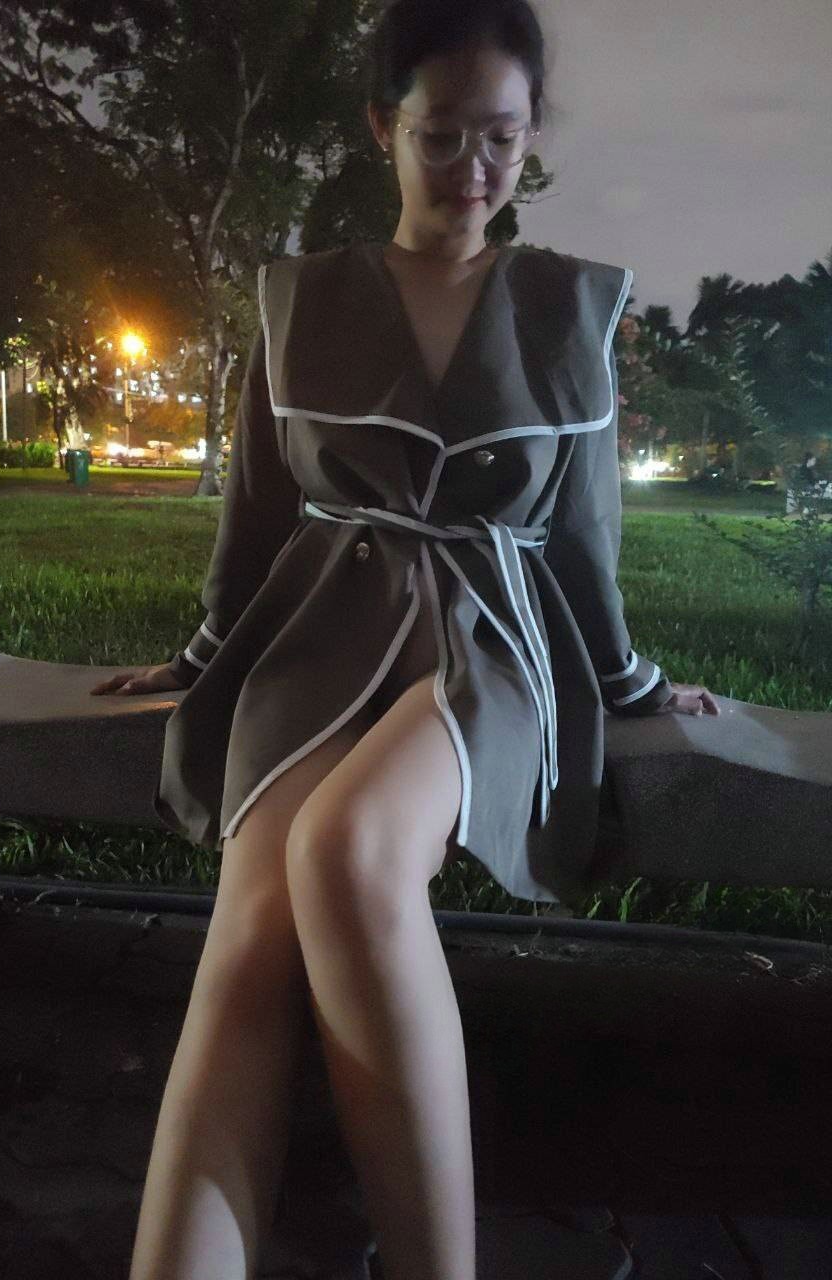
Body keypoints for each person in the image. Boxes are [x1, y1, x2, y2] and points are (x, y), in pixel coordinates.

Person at [93, 2, 720, 1276]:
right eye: (441, 135)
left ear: (530, 136)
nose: (472, 169)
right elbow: (257, 515)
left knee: (348, 847)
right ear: (384, 126)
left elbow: (582, 538)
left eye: (502, 137)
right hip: (320, 631)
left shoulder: (568, 306)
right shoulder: (302, 297)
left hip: (492, 638)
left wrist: (635, 683)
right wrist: (201, 660)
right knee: (248, 930)